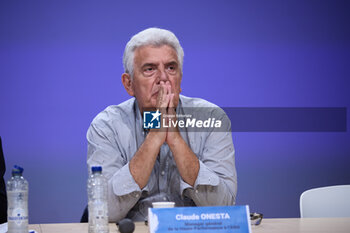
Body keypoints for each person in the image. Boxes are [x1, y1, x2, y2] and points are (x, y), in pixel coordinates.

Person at [87, 28, 237, 222]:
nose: (163, 78)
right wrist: (155, 136)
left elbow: (224, 207)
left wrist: (174, 139)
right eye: (150, 69)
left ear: (180, 79)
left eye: (171, 68)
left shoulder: (211, 118)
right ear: (129, 84)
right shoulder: (106, 126)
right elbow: (103, 213)